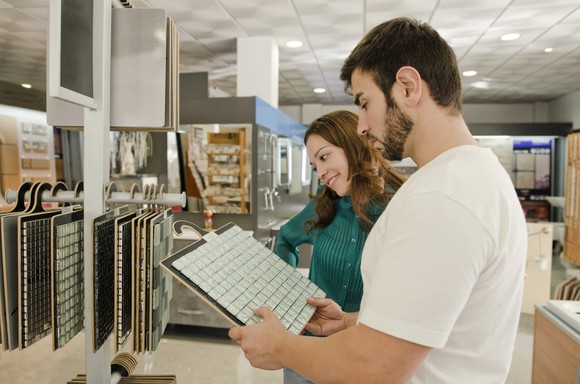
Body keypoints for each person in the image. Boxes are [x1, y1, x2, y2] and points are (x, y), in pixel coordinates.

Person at [229, 17, 527, 384]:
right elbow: (433, 322)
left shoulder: (441, 196)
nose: (361, 126)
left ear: (407, 87)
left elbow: (375, 368)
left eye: (364, 102)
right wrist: (352, 322)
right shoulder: (473, 176)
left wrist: (281, 347)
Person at [274, 110, 405, 383]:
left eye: (324, 157)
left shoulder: (400, 207)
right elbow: (285, 238)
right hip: (308, 352)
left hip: (364, 356)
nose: (320, 173)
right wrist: (287, 294)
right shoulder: (323, 205)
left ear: (353, 144)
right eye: (314, 166)